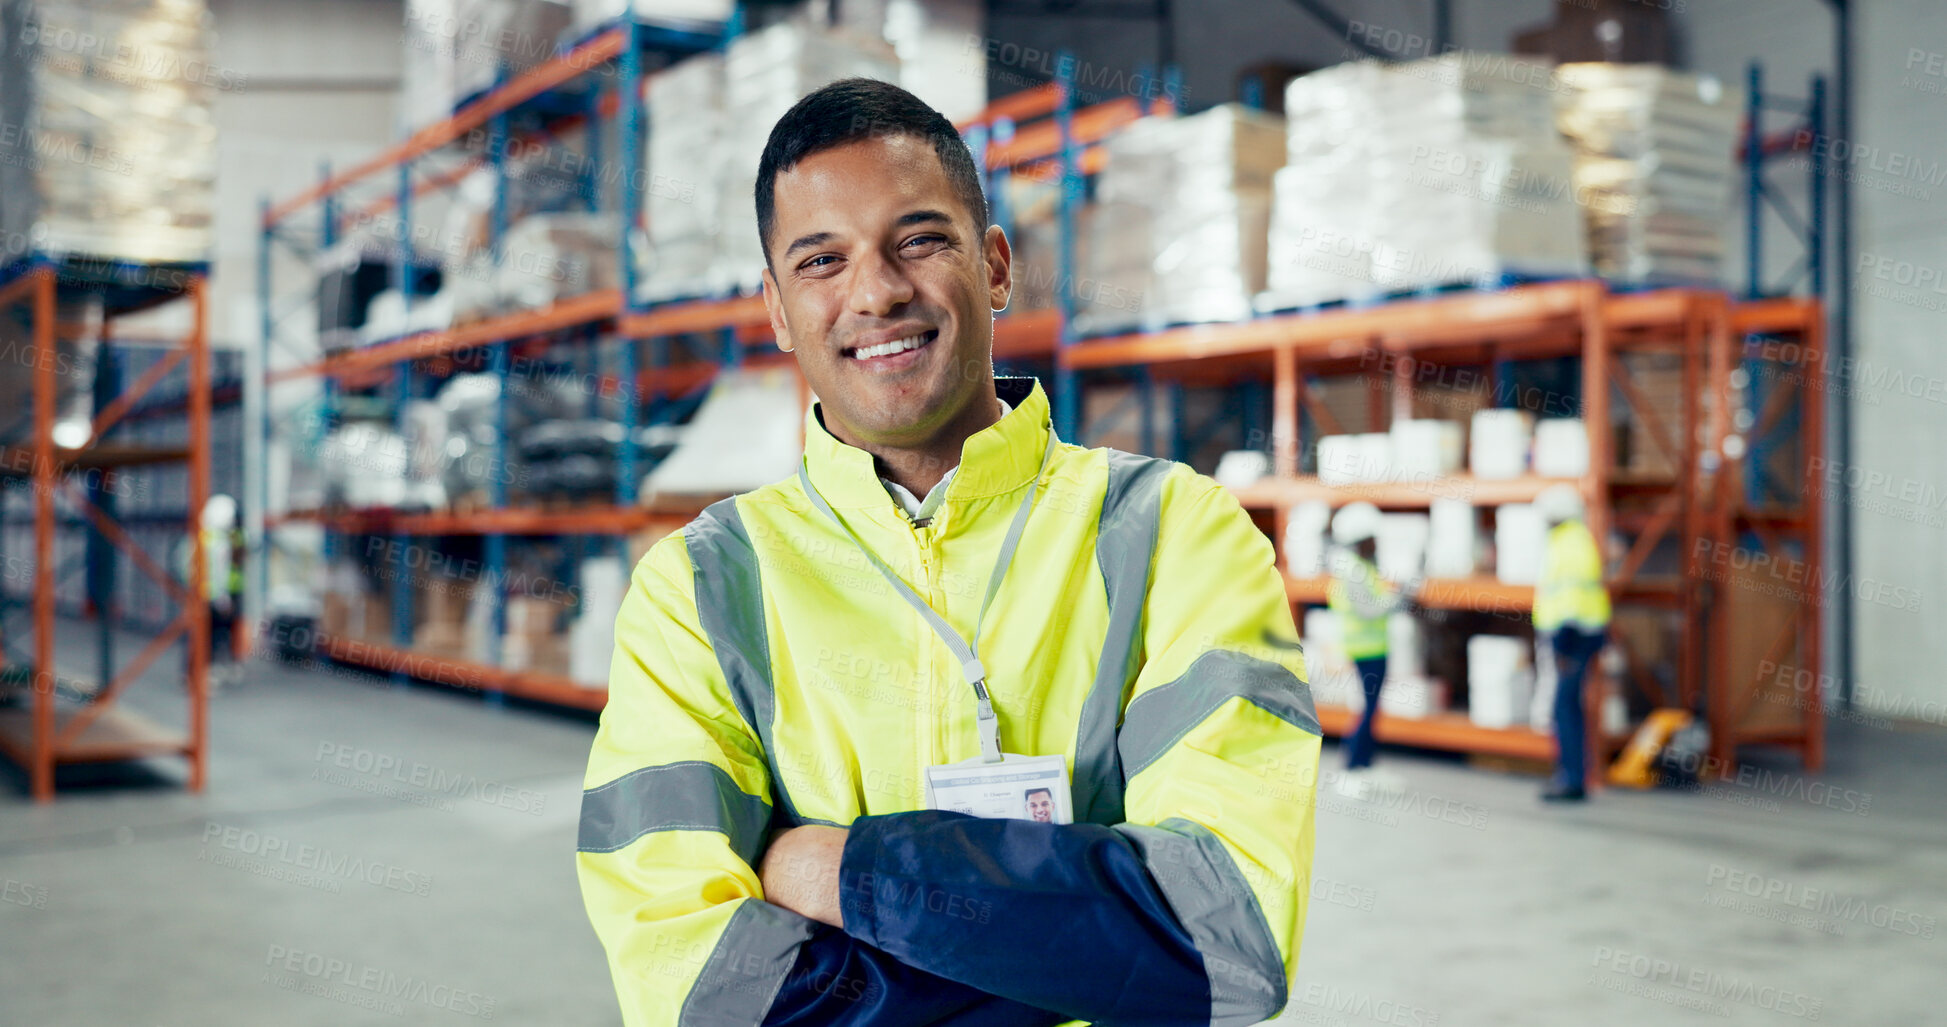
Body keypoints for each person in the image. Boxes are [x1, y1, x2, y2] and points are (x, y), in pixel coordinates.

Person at [578, 79, 1320, 1026]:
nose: (878, 291)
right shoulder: (700, 587)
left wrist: (838, 871)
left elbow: (1227, 940)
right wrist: (1069, 947)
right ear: (775, 310)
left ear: (996, 266)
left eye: (918, 241)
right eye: (821, 260)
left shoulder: (1175, 531)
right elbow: (696, 984)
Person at [1324, 502, 1415, 801]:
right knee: (1365, 710)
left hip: (1375, 648)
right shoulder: (1352, 570)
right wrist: (1399, 594)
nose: (1376, 542)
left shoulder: (1361, 567)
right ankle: (1351, 768)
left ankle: (1365, 764)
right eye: (1372, 537)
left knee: (1372, 709)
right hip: (1364, 651)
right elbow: (1368, 610)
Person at [1532, 484, 1611, 803]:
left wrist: (1563, 645)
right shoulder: (1572, 540)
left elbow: (1571, 601)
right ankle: (1570, 775)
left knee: (1564, 707)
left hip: (1574, 638)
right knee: (1568, 706)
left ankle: (1572, 779)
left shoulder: (1570, 544)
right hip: (1578, 635)